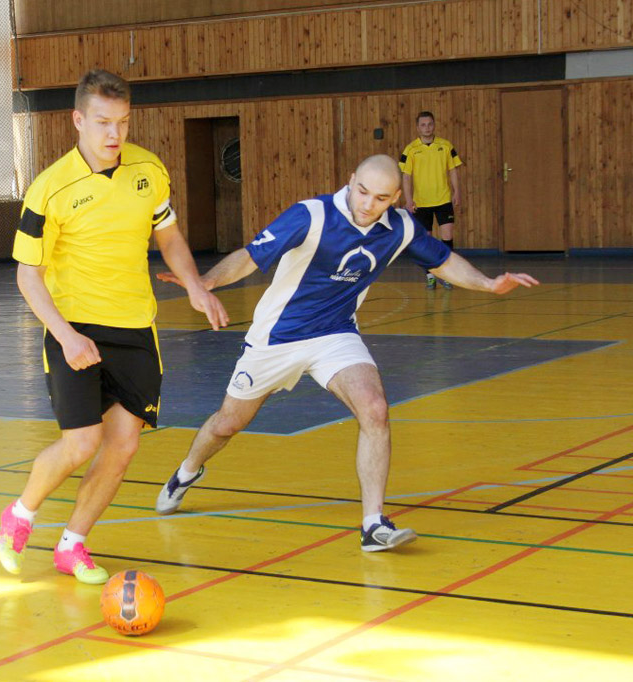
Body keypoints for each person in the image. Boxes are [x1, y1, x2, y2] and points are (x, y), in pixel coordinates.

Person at [154, 155, 538, 552]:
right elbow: (250, 256)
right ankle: (187, 471)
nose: (368, 204)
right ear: (351, 181)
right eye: (363, 192)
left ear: (396, 198)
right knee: (227, 424)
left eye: (381, 198)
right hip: (277, 337)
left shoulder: (401, 228)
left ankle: (373, 524)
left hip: (335, 334)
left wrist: (488, 284)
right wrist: (206, 281)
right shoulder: (311, 215)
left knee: (375, 408)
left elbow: (443, 261)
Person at [0, 69, 228, 584]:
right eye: (102, 122)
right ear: (78, 120)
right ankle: (20, 515)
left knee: (123, 447)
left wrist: (195, 286)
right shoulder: (49, 189)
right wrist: (66, 335)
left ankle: (72, 545)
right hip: (74, 326)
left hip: (136, 330)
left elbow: (169, 236)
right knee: (81, 443)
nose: (114, 134)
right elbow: (28, 275)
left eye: (122, 121)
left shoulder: (149, 170)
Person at [400, 111, 462, 290]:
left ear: (434, 125)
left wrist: (457, 191)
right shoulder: (410, 149)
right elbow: (406, 176)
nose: (427, 128)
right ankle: (430, 275)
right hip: (421, 203)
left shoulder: (446, 146)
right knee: (425, 242)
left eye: (430, 124)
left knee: (447, 238)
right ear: (418, 127)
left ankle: (448, 275)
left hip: (443, 200)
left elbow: (453, 170)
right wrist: (408, 200)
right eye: (423, 125)